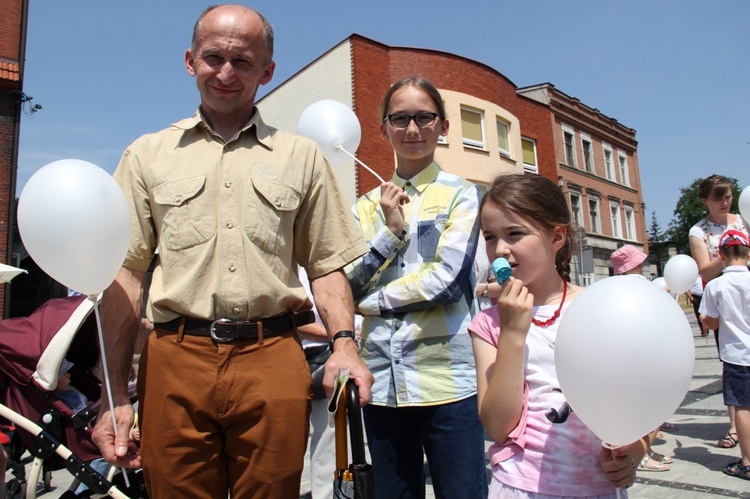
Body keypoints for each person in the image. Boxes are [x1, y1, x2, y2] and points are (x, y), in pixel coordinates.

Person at [91, 5, 373, 498]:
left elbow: (326, 267)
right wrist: (113, 393)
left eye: (242, 61)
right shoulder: (146, 155)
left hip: (273, 360)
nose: (225, 73)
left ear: (267, 71)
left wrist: (345, 346)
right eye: (213, 57)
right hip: (174, 359)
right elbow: (127, 277)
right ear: (189, 61)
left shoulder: (301, 157)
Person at [345, 76, 487, 498]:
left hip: (449, 380)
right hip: (383, 381)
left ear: (443, 126)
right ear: (383, 128)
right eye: (400, 118)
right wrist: (389, 234)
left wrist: (369, 305)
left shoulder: (464, 195)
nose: (412, 129)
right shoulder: (364, 207)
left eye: (423, 118)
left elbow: (447, 281)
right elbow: (345, 284)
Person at [470, 174, 639, 498]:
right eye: (490, 237)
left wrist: (636, 451)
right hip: (519, 486)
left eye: (515, 233)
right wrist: (514, 334)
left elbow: (638, 397)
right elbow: (497, 426)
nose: (500, 250)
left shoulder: (600, 307)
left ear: (556, 236)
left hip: (597, 487)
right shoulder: (489, 323)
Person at [688, 174, 748, 449]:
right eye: (718, 198)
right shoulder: (699, 231)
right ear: (704, 200)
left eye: (728, 196)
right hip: (727, 303)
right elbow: (704, 271)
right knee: (733, 362)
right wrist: (731, 256)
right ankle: (736, 427)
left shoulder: (745, 219)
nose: (725, 202)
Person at [611, 245, 673, 472]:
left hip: (627, 357)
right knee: (650, 410)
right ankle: (641, 455)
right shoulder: (640, 286)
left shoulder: (611, 288)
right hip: (644, 356)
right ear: (634, 264)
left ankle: (646, 451)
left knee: (639, 410)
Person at [698, 229, 750, 481]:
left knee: (742, 407)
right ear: (748, 253)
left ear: (720, 254)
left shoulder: (717, 285)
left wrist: (706, 319)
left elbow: (710, 321)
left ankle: (748, 462)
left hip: (737, 356)